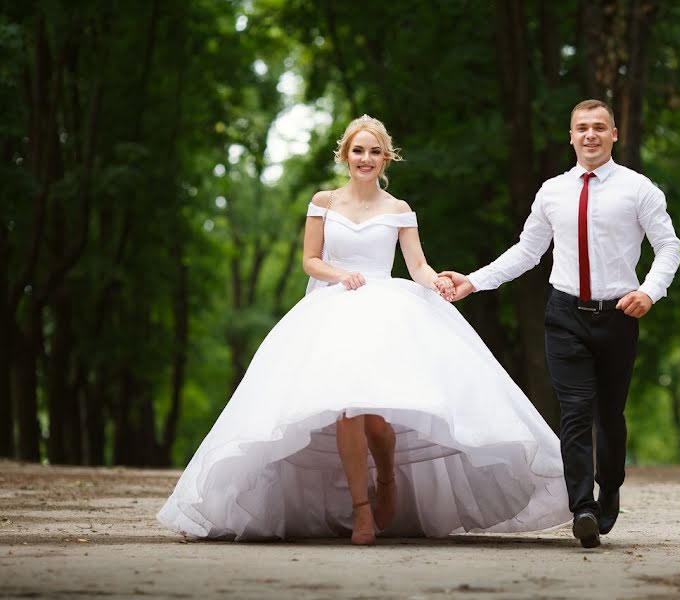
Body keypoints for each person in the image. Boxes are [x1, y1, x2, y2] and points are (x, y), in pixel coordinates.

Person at [157, 115, 570, 544]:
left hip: (386, 314)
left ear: (385, 158)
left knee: (375, 420)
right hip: (333, 311)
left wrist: (439, 283)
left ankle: (387, 478)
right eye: (358, 151)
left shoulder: (399, 210)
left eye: (374, 151)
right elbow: (310, 260)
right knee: (346, 410)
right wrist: (339, 275)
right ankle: (361, 512)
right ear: (345, 155)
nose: (366, 158)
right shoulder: (324, 201)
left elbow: (418, 266)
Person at [440, 99, 680, 548]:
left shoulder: (639, 189)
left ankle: (610, 486)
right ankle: (582, 508)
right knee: (575, 412)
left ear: (614, 135)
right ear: (570, 137)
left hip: (619, 315)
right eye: (581, 128)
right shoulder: (552, 191)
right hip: (565, 315)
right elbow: (526, 253)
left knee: (610, 415)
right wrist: (472, 282)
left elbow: (668, 246)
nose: (590, 135)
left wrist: (649, 291)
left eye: (599, 128)